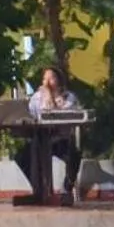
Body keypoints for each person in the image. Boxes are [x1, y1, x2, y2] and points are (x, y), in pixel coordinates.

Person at [27, 65, 83, 206]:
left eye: (51, 78)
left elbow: (56, 116)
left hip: (60, 140)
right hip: (41, 139)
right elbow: (31, 115)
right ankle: (39, 191)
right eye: (44, 78)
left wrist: (49, 97)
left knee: (74, 154)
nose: (47, 82)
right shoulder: (36, 97)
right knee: (23, 154)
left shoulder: (68, 98)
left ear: (59, 80)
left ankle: (66, 189)